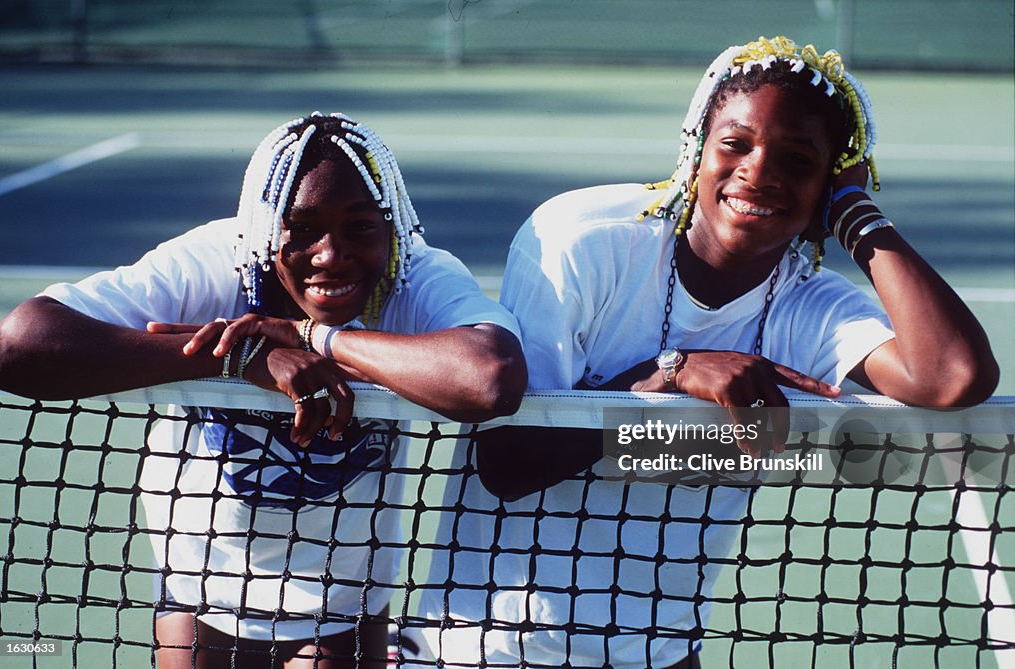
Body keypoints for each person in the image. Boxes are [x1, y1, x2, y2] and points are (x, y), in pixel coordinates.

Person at [405, 37, 998, 667]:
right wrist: (672, 372)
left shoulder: (811, 307)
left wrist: (857, 212)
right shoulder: (582, 241)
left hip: (658, 651)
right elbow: (508, 460)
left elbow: (953, 376)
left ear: (826, 182)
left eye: (798, 161)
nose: (760, 172)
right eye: (736, 144)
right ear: (695, 150)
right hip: (491, 647)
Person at [0, 112, 527, 668]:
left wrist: (317, 338)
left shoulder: (412, 274)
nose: (330, 254)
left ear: (390, 227)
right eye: (301, 229)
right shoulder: (214, 262)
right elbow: (13, 348)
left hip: (341, 599)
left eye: (360, 227)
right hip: (201, 586)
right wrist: (238, 359)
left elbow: (489, 377)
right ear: (267, 228)